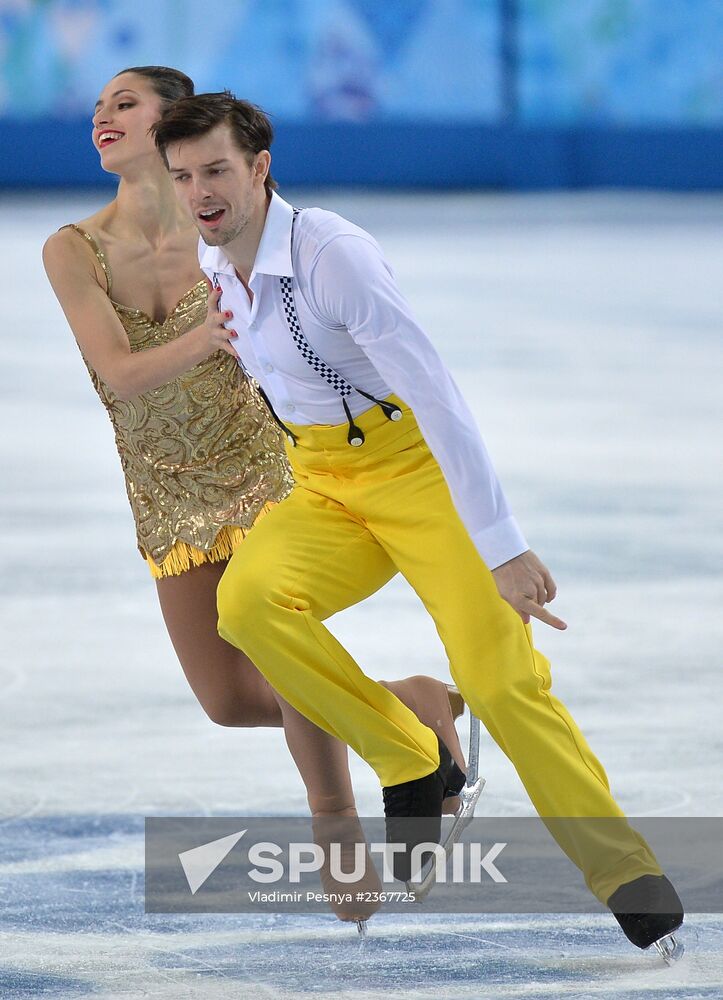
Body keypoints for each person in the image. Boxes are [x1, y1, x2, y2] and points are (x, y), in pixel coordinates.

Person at [150, 89, 684, 955]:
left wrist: (500, 545)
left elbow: (435, 394)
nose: (200, 190)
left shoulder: (333, 255)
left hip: (417, 473)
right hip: (325, 482)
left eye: (215, 168)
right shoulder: (218, 269)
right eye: (183, 175)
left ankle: (623, 871)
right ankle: (410, 753)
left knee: (502, 678)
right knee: (247, 605)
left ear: (258, 167)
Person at [41, 66, 472, 925]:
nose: (102, 118)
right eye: (97, 108)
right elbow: (122, 376)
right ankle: (414, 702)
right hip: (165, 490)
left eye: (125, 104)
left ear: (179, 128)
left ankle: (335, 820)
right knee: (230, 700)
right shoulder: (72, 248)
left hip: (267, 468)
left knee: (280, 650)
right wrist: (208, 334)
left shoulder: (229, 233)